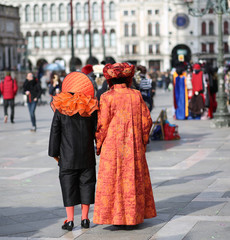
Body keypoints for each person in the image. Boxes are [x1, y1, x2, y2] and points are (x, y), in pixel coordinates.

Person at [93, 62, 157, 226]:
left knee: (114, 178)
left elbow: (102, 124)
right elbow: (146, 121)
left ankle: (115, 217)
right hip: (132, 145)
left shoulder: (106, 97)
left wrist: (99, 143)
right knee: (132, 177)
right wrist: (142, 141)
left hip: (112, 146)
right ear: (128, 78)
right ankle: (133, 216)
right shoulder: (136, 95)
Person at [48, 72, 98, 231]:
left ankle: (69, 220)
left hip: (67, 155)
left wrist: (54, 153)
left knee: (68, 184)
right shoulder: (90, 107)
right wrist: (99, 146)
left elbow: (55, 132)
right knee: (87, 184)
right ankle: (85, 218)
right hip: (87, 154)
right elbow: (97, 131)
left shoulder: (61, 108)